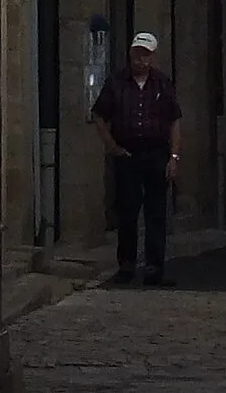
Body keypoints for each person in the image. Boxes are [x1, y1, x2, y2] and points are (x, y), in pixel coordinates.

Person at [90, 30, 182, 286]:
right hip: (128, 154)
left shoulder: (162, 84)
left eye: (145, 55)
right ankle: (126, 266)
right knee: (127, 211)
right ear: (130, 54)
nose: (140, 60)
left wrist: (173, 156)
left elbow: (174, 120)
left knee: (156, 213)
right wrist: (111, 145)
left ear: (152, 57)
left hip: (155, 153)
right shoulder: (116, 83)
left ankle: (154, 268)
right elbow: (99, 114)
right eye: (136, 54)